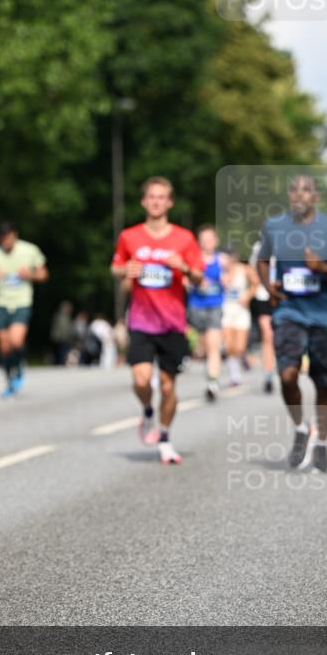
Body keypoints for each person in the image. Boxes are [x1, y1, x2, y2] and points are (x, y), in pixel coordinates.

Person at [256, 174, 327, 473]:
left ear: (316, 196)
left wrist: (323, 268)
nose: (299, 195)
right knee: (287, 374)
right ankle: (301, 427)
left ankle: (321, 444)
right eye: (294, 190)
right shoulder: (274, 226)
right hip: (289, 311)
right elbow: (262, 260)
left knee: (324, 383)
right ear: (289, 195)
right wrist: (268, 286)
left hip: (325, 316)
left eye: (306, 190)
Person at [111, 176, 204, 465]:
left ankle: (164, 438)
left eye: (161, 197)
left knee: (167, 386)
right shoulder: (129, 236)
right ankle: (148, 411)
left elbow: (199, 277)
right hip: (141, 321)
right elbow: (115, 268)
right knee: (141, 380)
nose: (156, 202)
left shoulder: (184, 238)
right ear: (143, 201)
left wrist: (184, 267)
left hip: (172, 323)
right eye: (151, 196)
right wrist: (126, 270)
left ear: (170, 203)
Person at [0, 222, 48, 396]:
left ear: (15, 235)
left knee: (16, 341)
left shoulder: (29, 250)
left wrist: (30, 274)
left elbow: (44, 274)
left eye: (8, 236)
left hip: (22, 301)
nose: (5, 241)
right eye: (2, 237)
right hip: (0, 302)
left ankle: (20, 366)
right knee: (4, 345)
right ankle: (9, 377)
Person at [188, 225, 227, 402]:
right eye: (204, 240)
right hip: (196, 306)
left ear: (216, 241)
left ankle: (212, 383)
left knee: (213, 345)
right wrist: (194, 283)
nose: (207, 242)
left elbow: (231, 278)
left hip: (215, 306)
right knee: (202, 347)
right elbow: (184, 279)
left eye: (210, 239)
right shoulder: (192, 259)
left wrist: (226, 280)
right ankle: (209, 372)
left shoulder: (222, 260)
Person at [221, 249, 258, 387]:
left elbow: (256, 283)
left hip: (241, 311)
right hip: (225, 310)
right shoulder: (220, 270)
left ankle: (244, 356)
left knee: (239, 347)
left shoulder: (244, 269)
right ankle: (235, 376)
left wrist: (247, 296)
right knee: (228, 346)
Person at [249, 238, 276, 394]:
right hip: (264, 296)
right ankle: (268, 374)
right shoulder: (258, 247)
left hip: (284, 296)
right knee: (268, 335)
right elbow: (252, 270)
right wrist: (263, 282)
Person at [49, 300, 74, 365]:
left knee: (62, 350)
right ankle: (60, 362)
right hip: (61, 337)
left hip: (64, 337)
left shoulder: (66, 316)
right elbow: (61, 327)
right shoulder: (60, 316)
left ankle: (61, 362)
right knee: (60, 351)